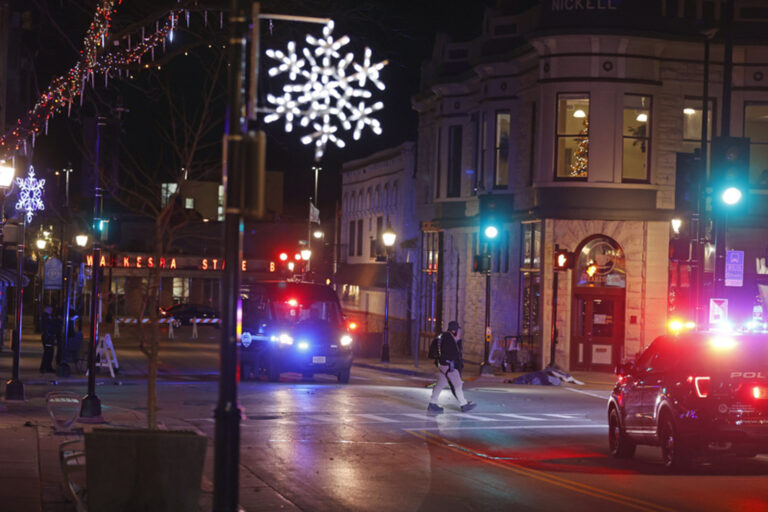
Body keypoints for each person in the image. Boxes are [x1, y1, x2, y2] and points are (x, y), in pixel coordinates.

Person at [427, 320, 476, 414]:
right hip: (449, 365)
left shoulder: (441, 336)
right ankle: (463, 404)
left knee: (441, 383)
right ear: (454, 331)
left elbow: (432, 350)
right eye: (457, 330)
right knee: (458, 384)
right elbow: (454, 354)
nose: (459, 332)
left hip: (441, 364)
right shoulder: (449, 338)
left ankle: (432, 403)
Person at [39, 306, 58, 373]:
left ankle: (46, 367)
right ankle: (46, 368)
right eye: (50, 309)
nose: (51, 311)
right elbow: (49, 326)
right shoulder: (46, 317)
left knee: (48, 352)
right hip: (48, 337)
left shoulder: (45, 317)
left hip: (47, 337)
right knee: (48, 352)